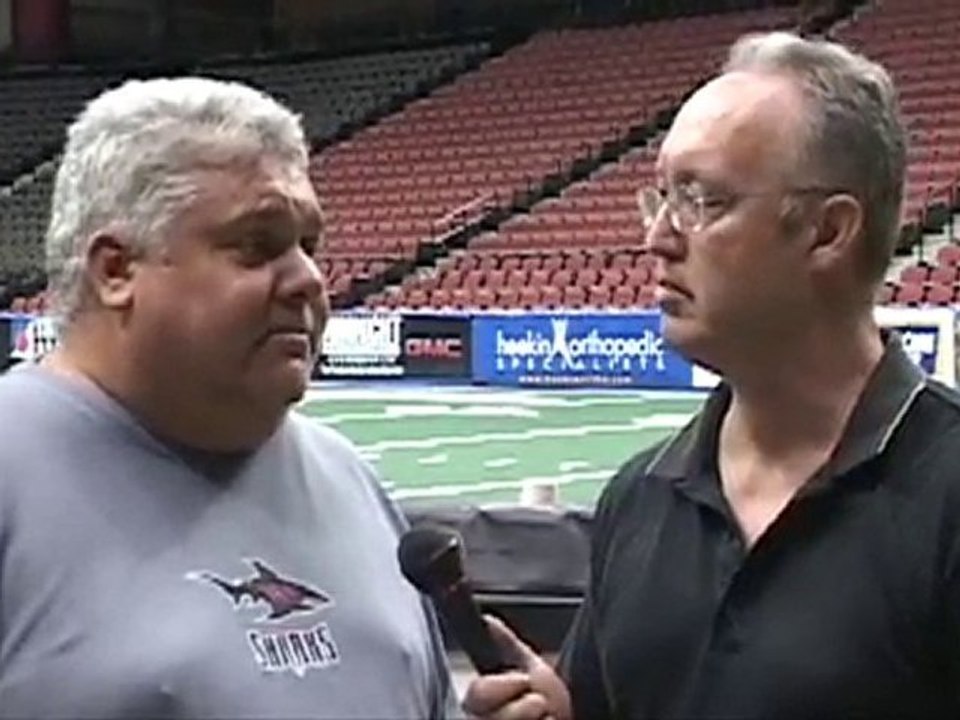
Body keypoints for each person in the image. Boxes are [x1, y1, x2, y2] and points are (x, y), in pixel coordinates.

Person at [464, 30, 960, 720]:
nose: (658, 238)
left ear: (827, 232)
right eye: (661, 197)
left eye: (703, 200)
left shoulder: (945, 490)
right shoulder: (640, 497)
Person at [0, 76, 457, 719]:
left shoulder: (351, 479)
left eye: (308, 246)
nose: (309, 279)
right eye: (256, 246)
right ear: (116, 271)